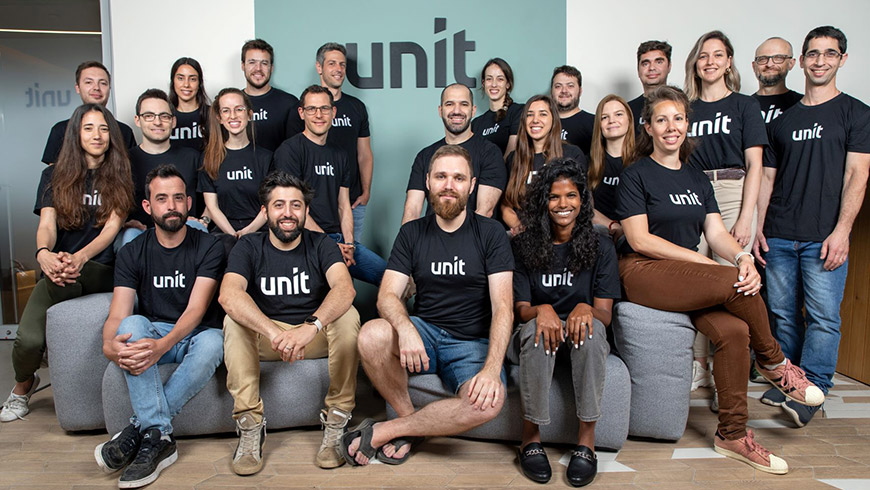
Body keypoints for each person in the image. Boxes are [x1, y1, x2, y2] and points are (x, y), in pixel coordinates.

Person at [615, 85, 824, 474]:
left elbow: (715, 233)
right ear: (648, 127)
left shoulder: (696, 178)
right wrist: (704, 263)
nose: (671, 127)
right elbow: (640, 239)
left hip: (684, 276)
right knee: (730, 281)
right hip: (642, 271)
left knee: (734, 332)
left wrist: (743, 257)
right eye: (661, 120)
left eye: (678, 118)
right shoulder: (636, 174)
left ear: (687, 124)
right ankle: (775, 362)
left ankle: (732, 434)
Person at [344, 145, 513, 466]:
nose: (449, 185)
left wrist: (492, 369)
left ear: (472, 185)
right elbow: (387, 295)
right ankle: (408, 421)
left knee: (489, 404)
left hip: (472, 344)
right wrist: (406, 328)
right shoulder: (411, 233)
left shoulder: (491, 233)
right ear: (427, 182)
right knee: (371, 334)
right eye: (441, 177)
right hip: (425, 335)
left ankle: (390, 430)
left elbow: (503, 306)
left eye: (458, 178)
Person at [755, 26, 870, 427]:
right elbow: (768, 178)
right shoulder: (783, 121)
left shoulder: (856, 113)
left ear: (842, 59)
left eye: (830, 53)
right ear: (801, 61)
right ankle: (791, 382)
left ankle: (814, 389)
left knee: (823, 317)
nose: (821, 61)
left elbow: (858, 175)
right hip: (779, 232)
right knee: (783, 314)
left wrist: (842, 231)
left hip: (824, 235)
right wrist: (758, 227)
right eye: (814, 54)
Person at [220, 171, 360, 473]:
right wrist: (274, 333)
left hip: (313, 337)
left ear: (306, 210)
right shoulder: (249, 246)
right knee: (234, 320)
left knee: (348, 315)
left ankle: (337, 418)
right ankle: (250, 424)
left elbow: (344, 289)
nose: (288, 213)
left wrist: (310, 327)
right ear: (265, 211)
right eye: (279, 205)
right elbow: (229, 294)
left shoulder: (321, 244)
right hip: (269, 339)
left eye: (296, 205)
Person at [96, 165, 225, 489]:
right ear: (147, 206)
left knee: (215, 342)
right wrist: (109, 346)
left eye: (179, 198)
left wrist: (162, 346)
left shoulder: (209, 246)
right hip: (154, 333)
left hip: (195, 336)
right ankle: (159, 436)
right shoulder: (132, 252)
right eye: (162, 199)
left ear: (189, 203)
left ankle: (139, 429)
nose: (172, 206)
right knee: (131, 324)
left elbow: (196, 310)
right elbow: (118, 314)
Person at [2, 104, 133, 422]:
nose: (97, 135)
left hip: (99, 269)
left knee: (76, 273)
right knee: (28, 341)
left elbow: (112, 229)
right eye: (88, 128)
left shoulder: (120, 174)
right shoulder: (53, 175)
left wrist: (80, 257)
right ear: (76, 134)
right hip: (59, 270)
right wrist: (43, 254)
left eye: (103, 128)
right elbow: (47, 224)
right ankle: (23, 385)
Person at [509, 160, 620, 487]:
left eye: (571, 195)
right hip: (536, 330)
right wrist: (541, 310)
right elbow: (521, 309)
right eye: (554, 196)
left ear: (582, 200)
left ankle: (586, 441)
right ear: (543, 201)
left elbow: (605, 314)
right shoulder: (523, 245)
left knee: (592, 331)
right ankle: (530, 438)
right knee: (536, 330)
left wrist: (585, 307)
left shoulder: (601, 246)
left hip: (580, 332)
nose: (563, 204)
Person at [683, 31, 768, 398]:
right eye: (704, 55)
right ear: (695, 63)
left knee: (731, 283)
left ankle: (726, 374)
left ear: (729, 61)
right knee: (696, 281)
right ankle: (699, 366)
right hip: (693, 192)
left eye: (718, 55)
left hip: (733, 189)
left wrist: (747, 217)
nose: (710, 61)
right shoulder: (686, 107)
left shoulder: (744, 105)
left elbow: (756, 164)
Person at [273, 85, 386, 286]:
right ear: (302, 113)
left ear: (333, 112)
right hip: (305, 240)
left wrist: (349, 244)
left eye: (324, 108)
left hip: (338, 238)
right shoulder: (289, 151)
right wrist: (329, 246)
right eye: (311, 109)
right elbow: (294, 210)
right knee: (337, 289)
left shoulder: (340, 155)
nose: (319, 115)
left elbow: (344, 205)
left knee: (394, 279)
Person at [402, 84, 506, 224]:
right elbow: (412, 210)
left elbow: (485, 211)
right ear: (440, 110)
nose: (457, 111)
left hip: (474, 236)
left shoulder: (490, 153)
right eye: (450, 104)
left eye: (464, 104)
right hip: (431, 236)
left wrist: (455, 238)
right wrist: (407, 237)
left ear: (473, 110)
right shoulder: (425, 156)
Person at [121, 89, 206, 245]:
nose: (157, 122)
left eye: (164, 116)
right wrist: (123, 223)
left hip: (184, 231)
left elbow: (211, 198)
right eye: (149, 116)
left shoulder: (193, 157)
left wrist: (204, 219)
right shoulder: (124, 161)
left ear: (173, 121)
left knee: (198, 228)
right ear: (137, 120)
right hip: (142, 234)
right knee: (129, 235)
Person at [312, 43, 375, 239]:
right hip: (316, 207)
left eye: (342, 64)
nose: (338, 69)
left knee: (352, 253)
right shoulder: (307, 109)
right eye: (332, 63)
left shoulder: (356, 107)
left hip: (353, 202)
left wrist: (366, 192)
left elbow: (364, 154)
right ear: (319, 67)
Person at [501, 95, 586, 235]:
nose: (535, 120)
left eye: (543, 114)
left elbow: (582, 202)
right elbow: (506, 205)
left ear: (553, 120)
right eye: (530, 115)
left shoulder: (571, 154)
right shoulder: (514, 158)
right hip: (524, 234)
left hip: (561, 233)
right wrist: (519, 226)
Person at [199, 88, 271, 238]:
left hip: (260, 232)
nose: (233, 116)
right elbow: (212, 206)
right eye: (226, 111)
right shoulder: (209, 158)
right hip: (224, 233)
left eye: (239, 109)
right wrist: (233, 235)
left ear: (249, 114)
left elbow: (270, 203)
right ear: (219, 118)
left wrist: (247, 232)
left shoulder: (266, 158)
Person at [41, 61, 136, 165]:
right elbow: (55, 173)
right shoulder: (60, 130)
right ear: (78, 88)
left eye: (103, 83)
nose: (96, 88)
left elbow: (129, 170)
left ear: (109, 88)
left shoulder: (124, 131)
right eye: (89, 82)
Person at [588, 95, 636, 240]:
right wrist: (613, 226)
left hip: (636, 234)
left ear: (629, 119)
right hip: (601, 233)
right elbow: (585, 207)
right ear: (599, 124)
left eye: (618, 114)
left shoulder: (644, 161)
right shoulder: (588, 162)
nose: (612, 120)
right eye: (604, 117)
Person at [241, 39, 300, 152]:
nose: (258, 68)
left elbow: (296, 149)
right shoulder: (232, 105)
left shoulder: (289, 103)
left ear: (271, 68)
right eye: (252, 62)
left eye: (264, 63)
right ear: (243, 66)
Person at [471, 58, 523, 157]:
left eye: (500, 79)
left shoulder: (517, 112)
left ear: (508, 84)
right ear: (483, 84)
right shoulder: (476, 124)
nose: (494, 84)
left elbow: (512, 154)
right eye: (489, 79)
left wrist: (495, 167)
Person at [752, 37, 802, 125]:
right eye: (762, 59)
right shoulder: (743, 106)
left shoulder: (802, 104)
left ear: (791, 63)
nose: (769, 64)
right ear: (754, 66)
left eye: (778, 58)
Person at [627, 41, 672, 133]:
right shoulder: (627, 110)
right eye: (645, 64)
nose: (652, 68)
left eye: (659, 62)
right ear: (638, 70)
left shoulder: (682, 105)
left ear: (669, 67)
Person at [550, 65, 595, 155]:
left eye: (570, 86)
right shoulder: (542, 123)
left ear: (580, 91)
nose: (564, 91)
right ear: (551, 91)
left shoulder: (594, 123)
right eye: (558, 86)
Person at [169, 57, 211, 151]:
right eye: (180, 78)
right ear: (173, 81)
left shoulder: (212, 114)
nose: (186, 84)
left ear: (199, 83)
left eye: (192, 79)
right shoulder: (164, 117)